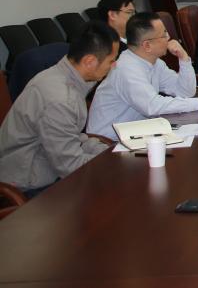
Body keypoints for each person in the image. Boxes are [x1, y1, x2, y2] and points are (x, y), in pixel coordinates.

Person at [0, 22, 119, 197]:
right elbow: (71, 167)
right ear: (89, 61)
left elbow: (71, 137)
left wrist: (111, 152)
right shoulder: (60, 99)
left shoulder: (64, 75)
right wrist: (113, 161)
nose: (114, 66)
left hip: (49, 161)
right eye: (111, 61)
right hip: (29, 182)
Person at [87, 13, 198, 140]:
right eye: (164, 35)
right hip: (108, 142)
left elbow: (186, 91)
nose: (168, 38)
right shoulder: (126, 68)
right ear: (147, 45)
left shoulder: (155, 63)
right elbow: (153, 106)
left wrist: (184, 58)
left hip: (137, 133)